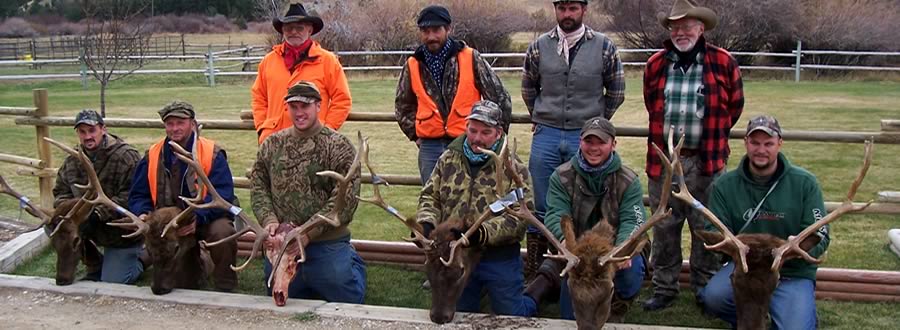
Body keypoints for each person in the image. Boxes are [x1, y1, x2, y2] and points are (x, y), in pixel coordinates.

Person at [642, 0, 744, 311]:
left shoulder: (724, 62)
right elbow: (652, 105)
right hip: (666, 163)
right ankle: (664, 287)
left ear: (701, 29)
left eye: (688, 26)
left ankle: (704, 286)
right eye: (676, 27)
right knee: (664, 226)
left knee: (706, 227)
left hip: (707, 160)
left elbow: (735, 108)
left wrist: (711, 140)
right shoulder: (656, 64)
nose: (681, 32)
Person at [521, 0, 626, 279]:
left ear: (584, 10)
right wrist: (539, 115)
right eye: (562, 8)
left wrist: (598, 122)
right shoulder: (538, 46)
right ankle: (537, 266)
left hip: (586, 137)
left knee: (584, 202)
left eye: (573, 9)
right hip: (547, 133)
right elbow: (528, 85)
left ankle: (581, 266)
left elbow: (616, 89)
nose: (567, 14)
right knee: (540, 202)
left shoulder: (604, 46)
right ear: (556, 10)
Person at [699, 115, 827, 329]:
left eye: (768, 143)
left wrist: (793, 248)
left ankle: (793, 312)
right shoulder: (725, 185)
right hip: (746, 270)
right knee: (713, 299)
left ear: (779, 144)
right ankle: (762, 311)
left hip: (790, 272)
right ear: (746, 143)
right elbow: (713, 228)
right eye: (755, 143)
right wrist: (733, 247)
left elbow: (821, 234)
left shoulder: (805, 183)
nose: (761, 150)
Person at [250, 81, 366, 303]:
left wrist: (307, 233)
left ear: (318, 106)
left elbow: (345, 201)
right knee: (278, 296)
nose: (299, 113)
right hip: (283, 242)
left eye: (305, 106)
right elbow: (258, 184)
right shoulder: (273, 144)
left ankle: (352, 261)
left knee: (346, 296)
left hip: (325, 241)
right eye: (294, 107)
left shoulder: (338, 145)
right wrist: (269, 219)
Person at [417, 100, 535, 317]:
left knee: (512, 314)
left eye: (486, 132)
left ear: (498, 133)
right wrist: (426, 223)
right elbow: (429, 197)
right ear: (466, 128)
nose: (477, 138)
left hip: (498, 255)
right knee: (456, 313)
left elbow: (521, 217)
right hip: (454, 256)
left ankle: (537, 293)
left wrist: (483, 234)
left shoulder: (513, 169)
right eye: (473, 130)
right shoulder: (448, 159)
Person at [525, 117, 647, 322]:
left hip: (613, 250)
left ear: (613, 144)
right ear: (580, 141)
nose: (594, 148)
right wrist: (564, 241)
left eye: (601, 142)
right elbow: (556, 214)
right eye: (589, 142)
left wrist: (623, 249)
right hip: (578, 255)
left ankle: (617, 304)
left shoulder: (628, 180)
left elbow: (633, 220)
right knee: (569, 317)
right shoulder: (562, 176)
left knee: (630, 272)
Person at [395, 4, 512, 185]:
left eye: (436, 30)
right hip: (430, 146)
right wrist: (415, 135)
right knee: (433, 196)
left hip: (467, 141)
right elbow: (403, 105)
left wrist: (497, 137)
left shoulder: (470, 57)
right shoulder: (413, 64)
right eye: (425, 31)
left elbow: (499, 97)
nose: (431, 36)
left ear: (448, 29)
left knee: (469, 194)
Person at [128, 101, 238, 292]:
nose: (175, 128)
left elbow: (224, 194)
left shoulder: (212, 153)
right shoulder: (152, 155)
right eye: (170, 124)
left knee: (222, 232)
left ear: (192, 124)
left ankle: (225, 286)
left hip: (204, 217)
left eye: (180, 122)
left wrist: (199, 218)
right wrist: (143, 212)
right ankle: (197, 261)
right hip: (169, 227)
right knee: (184, 283)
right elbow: (138, 194)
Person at [52, 109, 144, 284]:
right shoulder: (73, 160)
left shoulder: (125, 157)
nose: (87, 136)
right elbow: (60, 192)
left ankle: (144, 258)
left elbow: (132, 196)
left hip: (118, 230)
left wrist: (97, 214)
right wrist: (70, 213)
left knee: (114, 280)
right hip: (84, 225)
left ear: (103, 129)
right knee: (55, 227)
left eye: (92, 130)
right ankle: (94, 263)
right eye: (82, 132)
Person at [251, 2, 351, 145]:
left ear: (310, 30)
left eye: (299, 28)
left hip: (313, 141)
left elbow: (342, 100)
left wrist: (326, 131)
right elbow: (258, 97)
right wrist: (263, 127)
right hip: (274, 141)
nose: (294, 32)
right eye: (289, 28)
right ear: (282, 31)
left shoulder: (328, 61)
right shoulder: (268, 61)